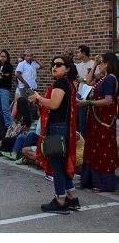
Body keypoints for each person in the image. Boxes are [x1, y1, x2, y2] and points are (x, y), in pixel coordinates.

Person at [29, 55, 80, 214]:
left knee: (57, 166)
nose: (54, 67)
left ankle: (60, 200)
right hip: (63, 127)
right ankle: (72, 197)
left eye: (59, 64)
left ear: (68, 68)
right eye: (53, 64)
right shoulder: (69, 84)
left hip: (57, 127)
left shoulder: (61, 83)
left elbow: (53, 104)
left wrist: (38, 98)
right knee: (63, 165)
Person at [77, 52, 118, 193]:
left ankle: (104, 183)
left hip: (104, 122)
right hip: (96, 120)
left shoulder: (110, 79)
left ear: (106, 64)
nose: (99, 65)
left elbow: (108, 100)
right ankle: (90, 179)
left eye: (101, 63)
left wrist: (88, 102)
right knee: (93, 147)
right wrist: (94, 64)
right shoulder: (103, 78)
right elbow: (88, 82)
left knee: (103, 149)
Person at [74, 45, 95, 135]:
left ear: (83, 53)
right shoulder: (78, 66)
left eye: (79, 52)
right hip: (79, 92)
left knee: (83, 117)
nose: (77, 54)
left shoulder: (93, 63)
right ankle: (78, 137)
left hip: (89, 92)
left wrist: (84, 79)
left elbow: (97, 77)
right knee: (77, 117)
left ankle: (84, 139)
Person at [0, 50, 14, 128]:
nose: (2, 58)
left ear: (7, 57)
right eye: (1, 56)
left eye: (4, 56)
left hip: (5, 89)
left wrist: (2, 75)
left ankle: (9, 126)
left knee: (5, 109)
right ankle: (2, 124)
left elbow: (8, 76)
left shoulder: (9, 66)